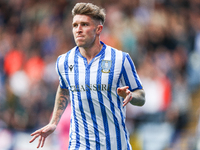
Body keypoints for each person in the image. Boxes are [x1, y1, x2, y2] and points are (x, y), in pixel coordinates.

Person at [29, 2, 145, 150]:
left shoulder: (120, 59)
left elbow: (141, 95)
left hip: (115, 145)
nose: (78, 30)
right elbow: (64, 88)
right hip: (79, 145)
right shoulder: (64, 61)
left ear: (98, 29)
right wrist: (54, 122)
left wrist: (131, 96)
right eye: (75, 25)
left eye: (84, 24)